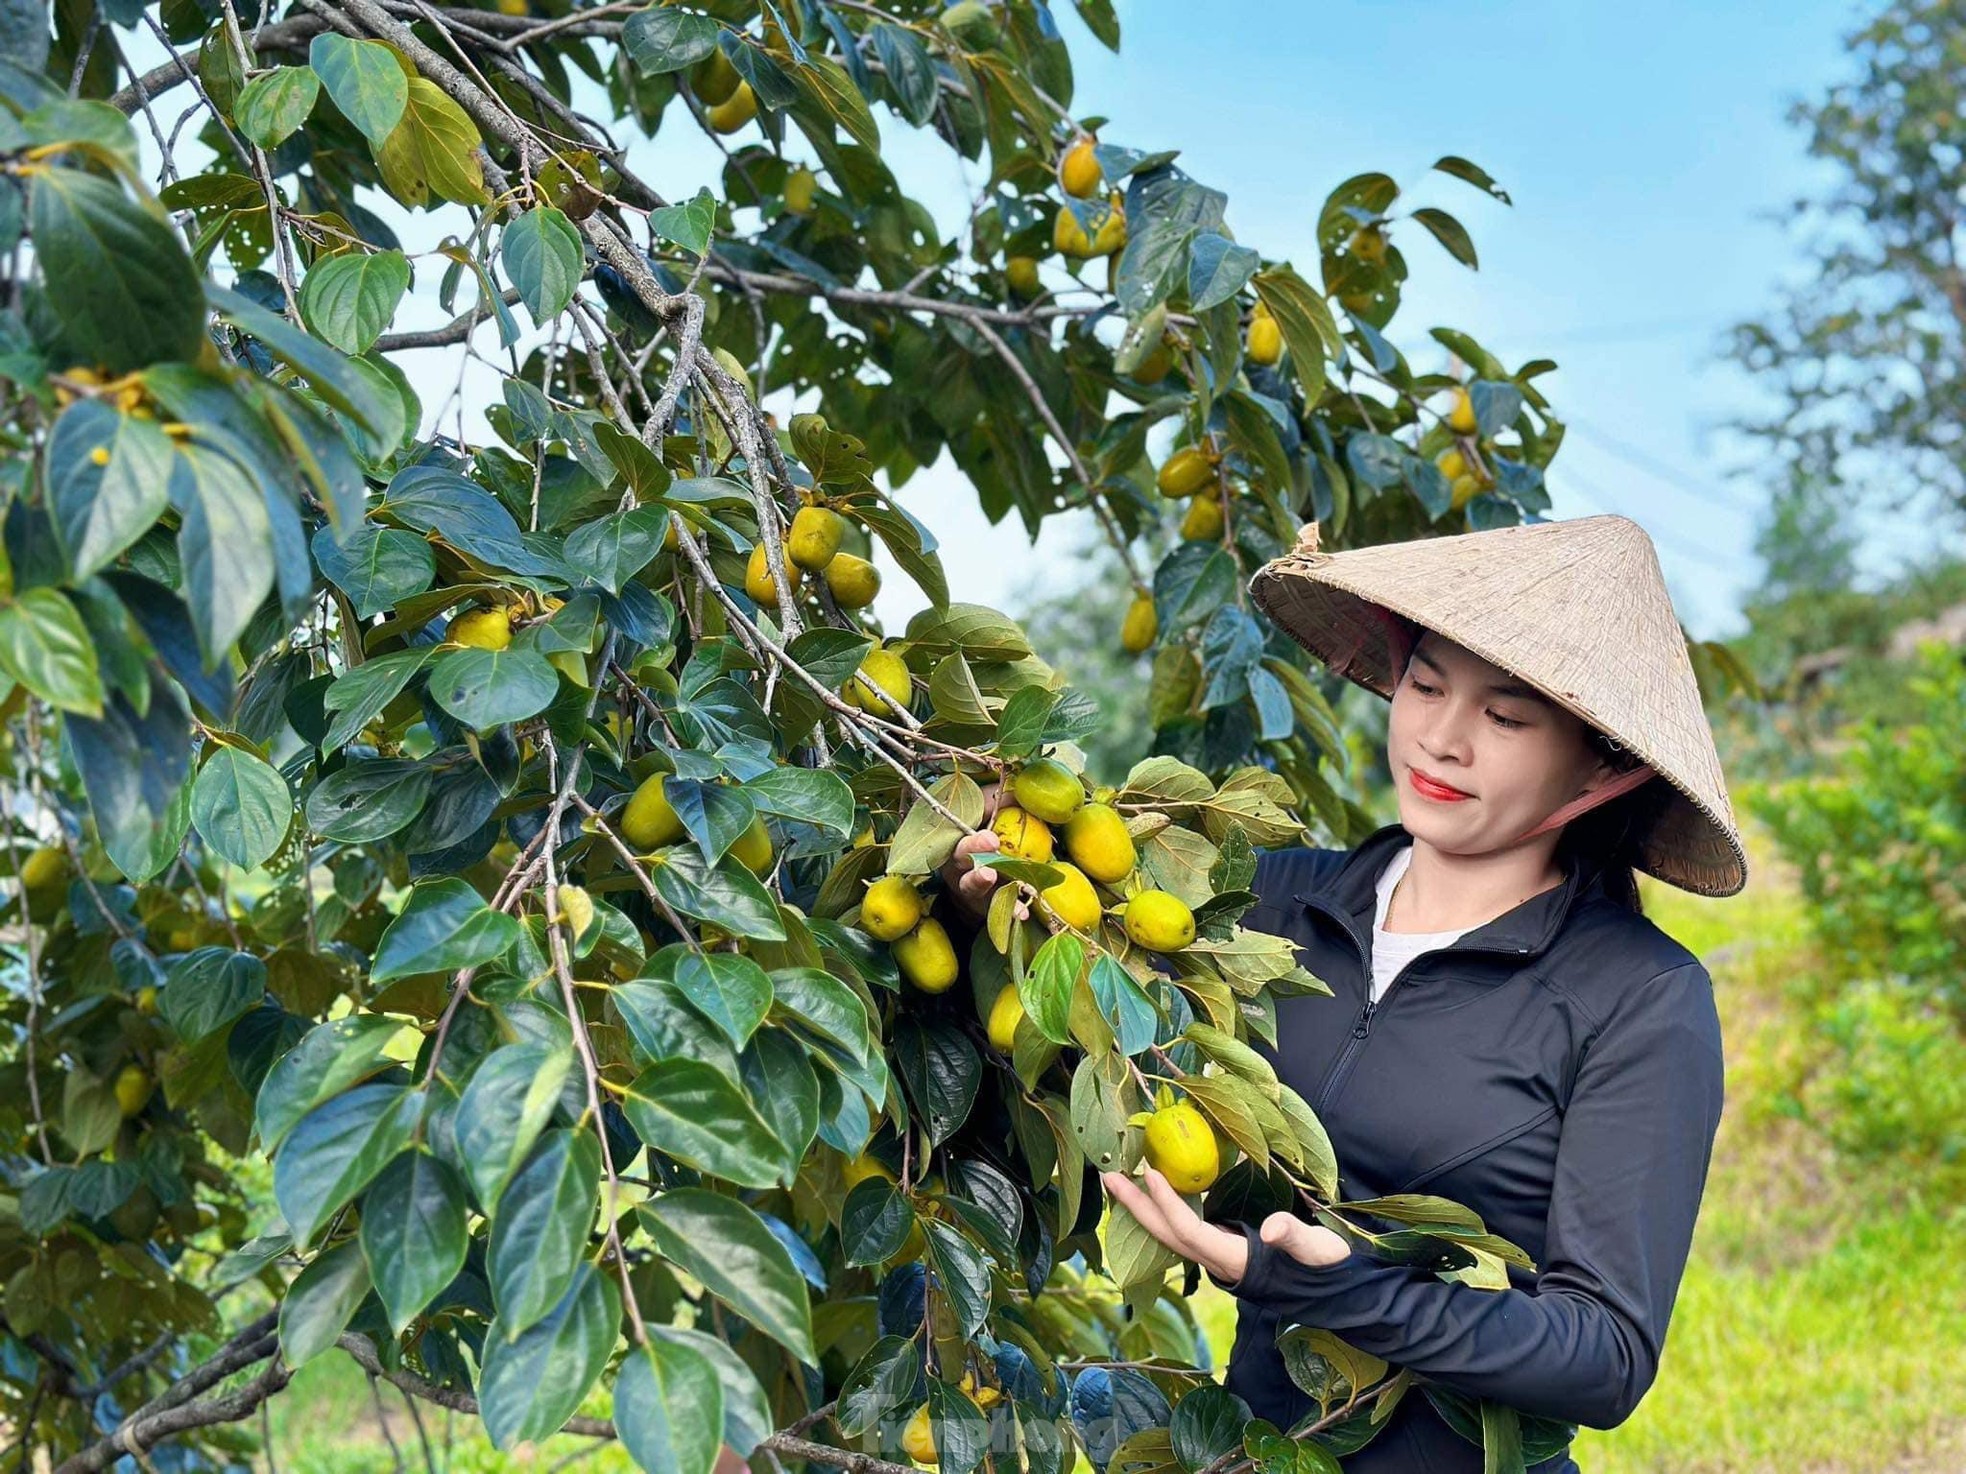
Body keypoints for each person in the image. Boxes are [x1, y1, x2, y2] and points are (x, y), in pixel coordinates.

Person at [943, 514, 1745, 1472]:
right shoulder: (1273, 901)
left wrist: (1322, 1286)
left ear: (1602, 769)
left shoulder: (1640, 997)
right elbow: (1052, 1055)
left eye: (1506, 717)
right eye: (1427, 684)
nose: (1441, 740)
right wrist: (982, 913)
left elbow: (1604, 1355)